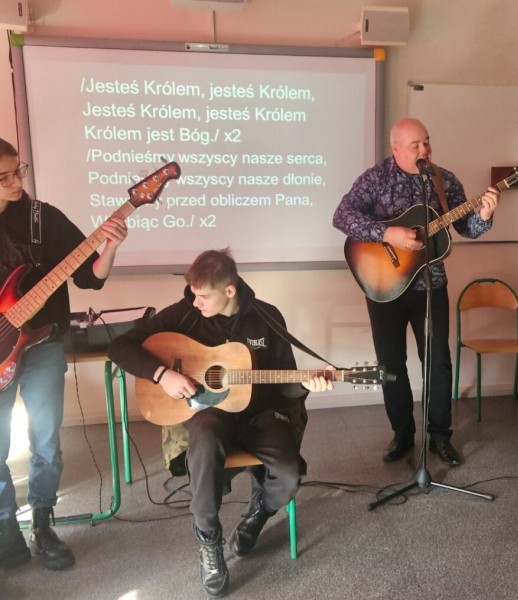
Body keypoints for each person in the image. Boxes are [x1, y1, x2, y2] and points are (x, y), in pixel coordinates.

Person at [108, 248, 332, 598]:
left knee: (289, 472)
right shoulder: (185, 313)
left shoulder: (267, 316)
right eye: (193, 293)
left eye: (203, 296)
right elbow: (119, 347)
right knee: (204, 437)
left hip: (260, 414)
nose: (195, 301)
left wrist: (307, 383)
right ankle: (209, 539)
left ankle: (258, 512)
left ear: (230, 290)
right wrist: (162, 374)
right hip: (210, 414)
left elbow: (284, 381)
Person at [332, 118, 500, 466]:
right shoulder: (375, 179)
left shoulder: (443, 180)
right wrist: (387, 234)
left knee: (438, 362)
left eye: (426, 142)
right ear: (396, 149)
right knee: (390, 364)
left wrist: (484, 214)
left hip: (431, 285)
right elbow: (342, 216)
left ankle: (440, 435)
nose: (424, 150)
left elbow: (465, 227)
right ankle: (402, 434)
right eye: (415, 145)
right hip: (384, 286)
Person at [0, 137, 129, 570]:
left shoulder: (43, 219)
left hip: (42, 347)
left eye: (18, 171)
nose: (16, 182)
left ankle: (43, 525)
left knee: (47, 442)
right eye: (4, 177)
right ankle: (5, 531)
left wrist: (110, 246)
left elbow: (90, 278)